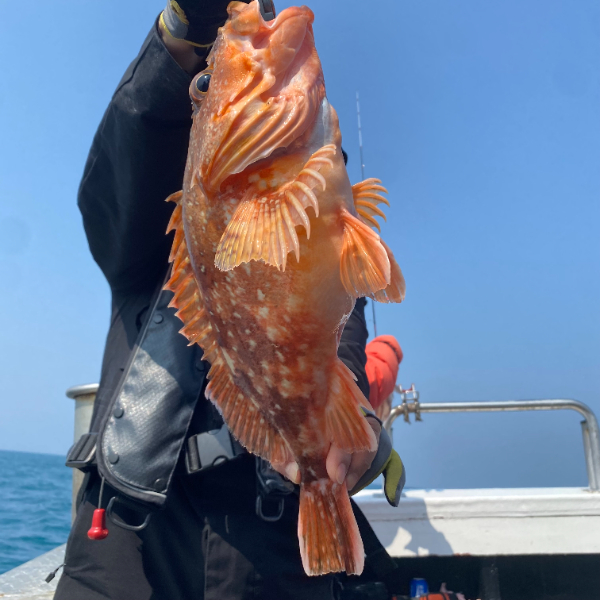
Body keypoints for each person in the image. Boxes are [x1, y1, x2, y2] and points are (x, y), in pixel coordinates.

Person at [55, 2, 402, 599]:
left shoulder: (323, 220)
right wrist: (178, 35)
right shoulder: (146, 236)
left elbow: (339, 327)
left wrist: (353, 428)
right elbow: (124, 170)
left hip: (273, 538)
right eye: (202, 89)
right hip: (129, 541)